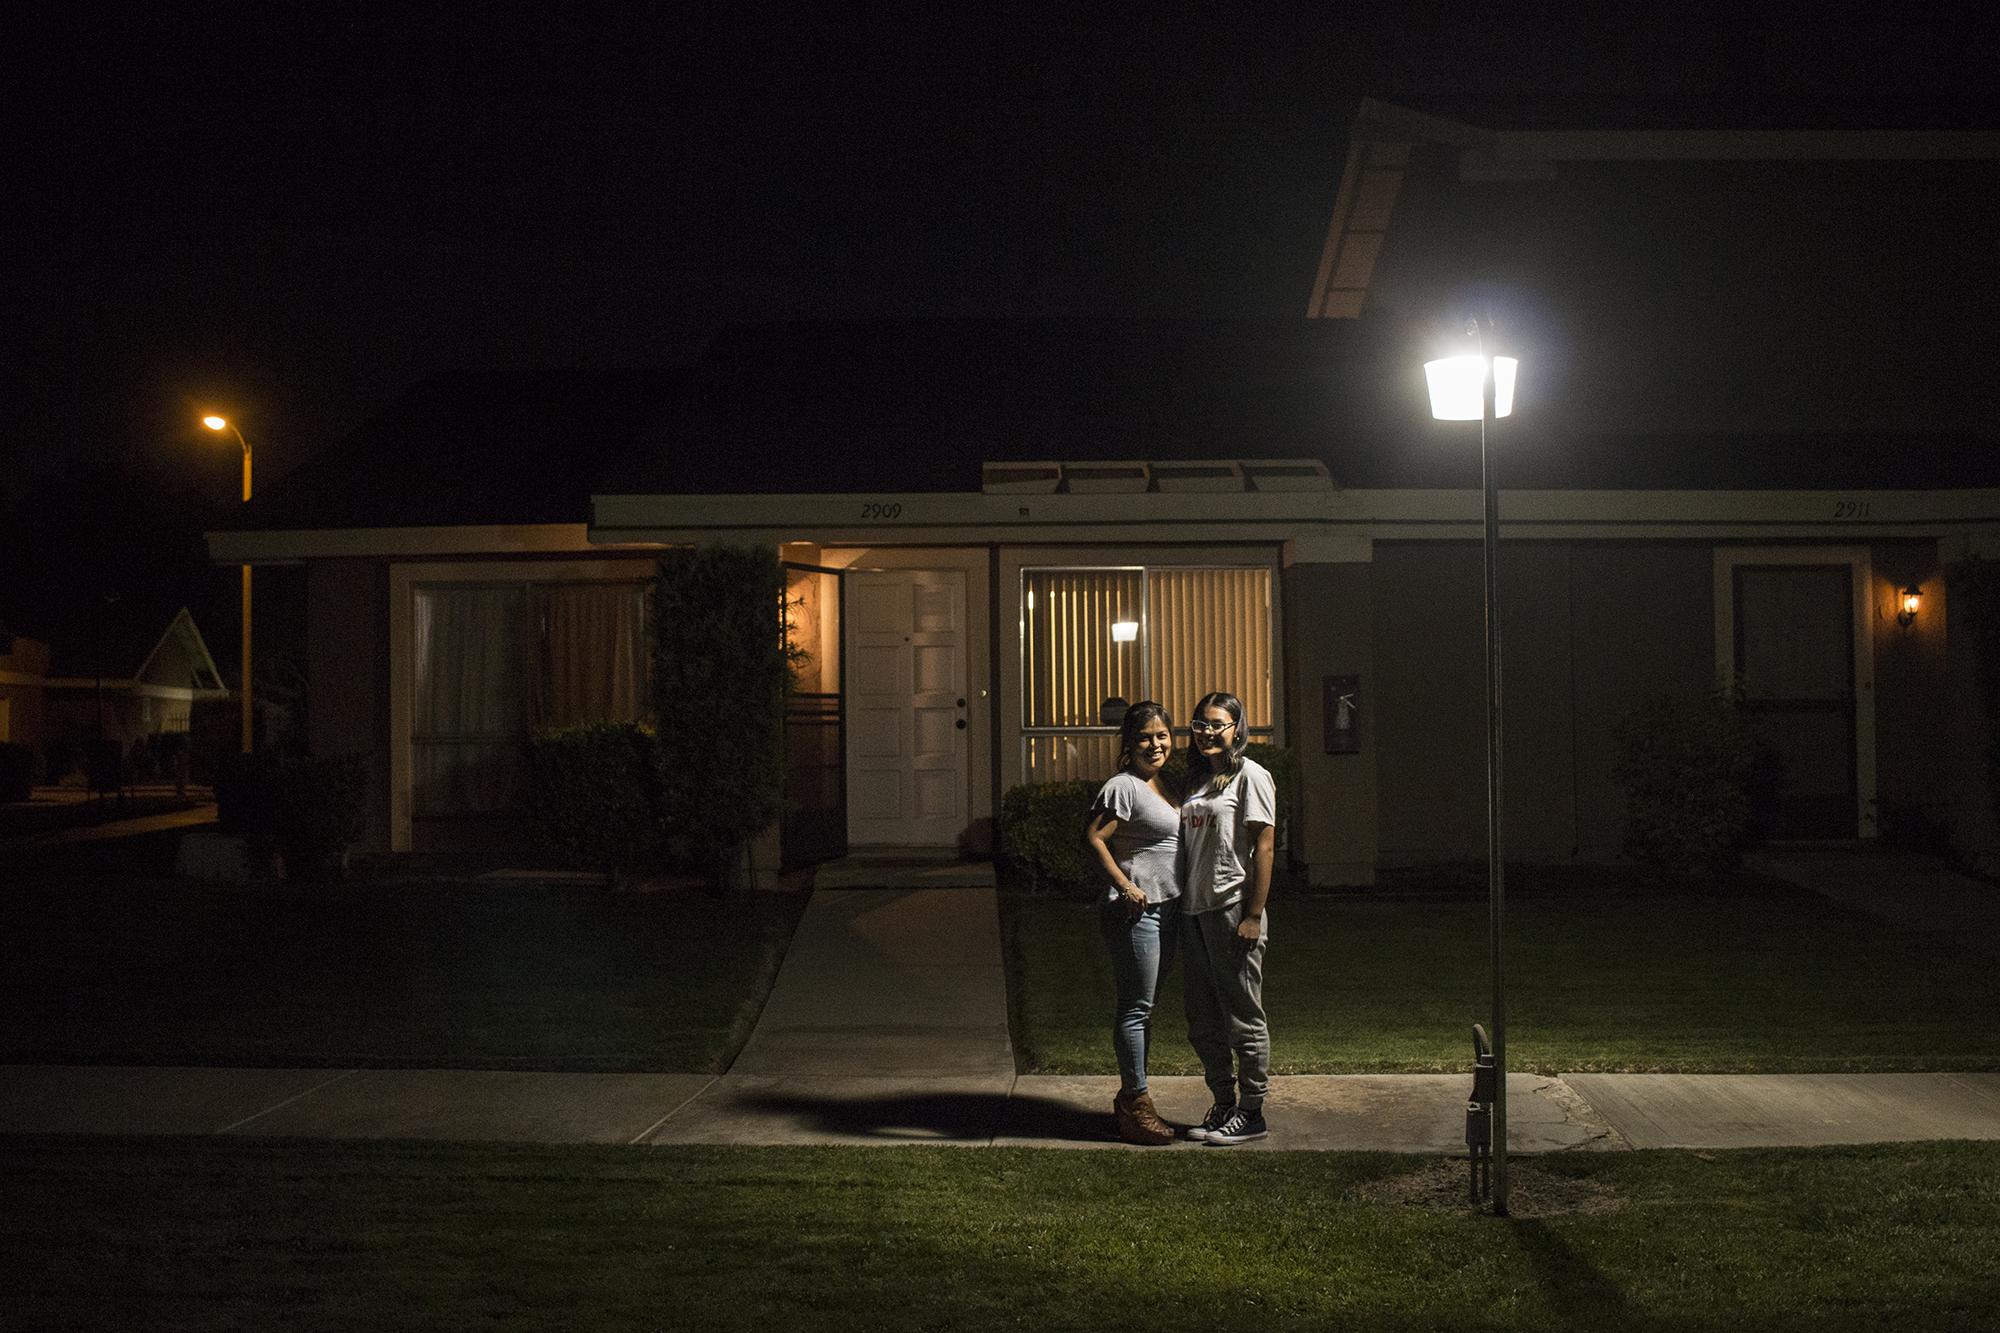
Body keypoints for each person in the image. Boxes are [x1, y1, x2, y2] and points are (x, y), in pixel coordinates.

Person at [1178, 690, 1277, 1145]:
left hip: (1232, 907)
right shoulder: (1197, 779)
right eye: (1201, 724)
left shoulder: (1251, 776)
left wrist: (1253, 914)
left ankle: (1252, 1110)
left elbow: (1264, 846)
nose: (1208, 733)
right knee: (1202, 1018)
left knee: (1242, 1014)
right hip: (1194, 910)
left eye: (1218, 724)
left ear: (1238, 728)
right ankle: (1222, 1103)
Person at [1083, 701, 1182, 1146]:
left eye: (1162, 735)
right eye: (1145, 737)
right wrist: (1125, 886)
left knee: (1145, 1009)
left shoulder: (1164, 785)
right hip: (1136, 911)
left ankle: (1133, 1098)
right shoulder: (1123, 786)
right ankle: (1135, 1103)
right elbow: (1094, 838)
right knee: (1136, 1009)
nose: (1155, 744)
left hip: (1168, 908)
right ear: (1129, 742)